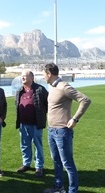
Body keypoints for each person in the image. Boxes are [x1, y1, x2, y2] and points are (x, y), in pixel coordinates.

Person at [42, 63, 91, 193]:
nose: (42, 77)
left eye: (43, 74)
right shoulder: (52, 87)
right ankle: (59, 187)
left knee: (67, 164)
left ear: (49, 74)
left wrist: (75, 118)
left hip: (62, 132)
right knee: (56, 161)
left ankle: (72, 191)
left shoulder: (64, 86)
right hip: (51, 130)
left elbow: (85, 100)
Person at [15, 70, 48, 177]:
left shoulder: (39, 89)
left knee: (37, 145)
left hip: (36, 124)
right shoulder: (20, 90)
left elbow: (48, 104)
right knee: (24, 145)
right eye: (22, 76)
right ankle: (26, 164)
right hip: (23, 124)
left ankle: (39, 167)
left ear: (32, 78)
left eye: (25, 76)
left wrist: (43, 116)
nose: (22, 78)